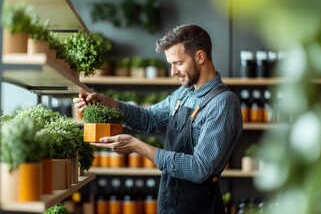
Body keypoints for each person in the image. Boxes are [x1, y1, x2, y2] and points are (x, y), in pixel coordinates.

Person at [73, 24, 243, 214]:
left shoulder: (223, 103)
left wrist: (139, 147)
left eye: (178, 63)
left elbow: (200, 168)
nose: (173, 72)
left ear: (200, 57)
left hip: (200, 207)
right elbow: (149, 119)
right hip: (170, 201)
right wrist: (108, 103)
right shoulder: (184, 94)